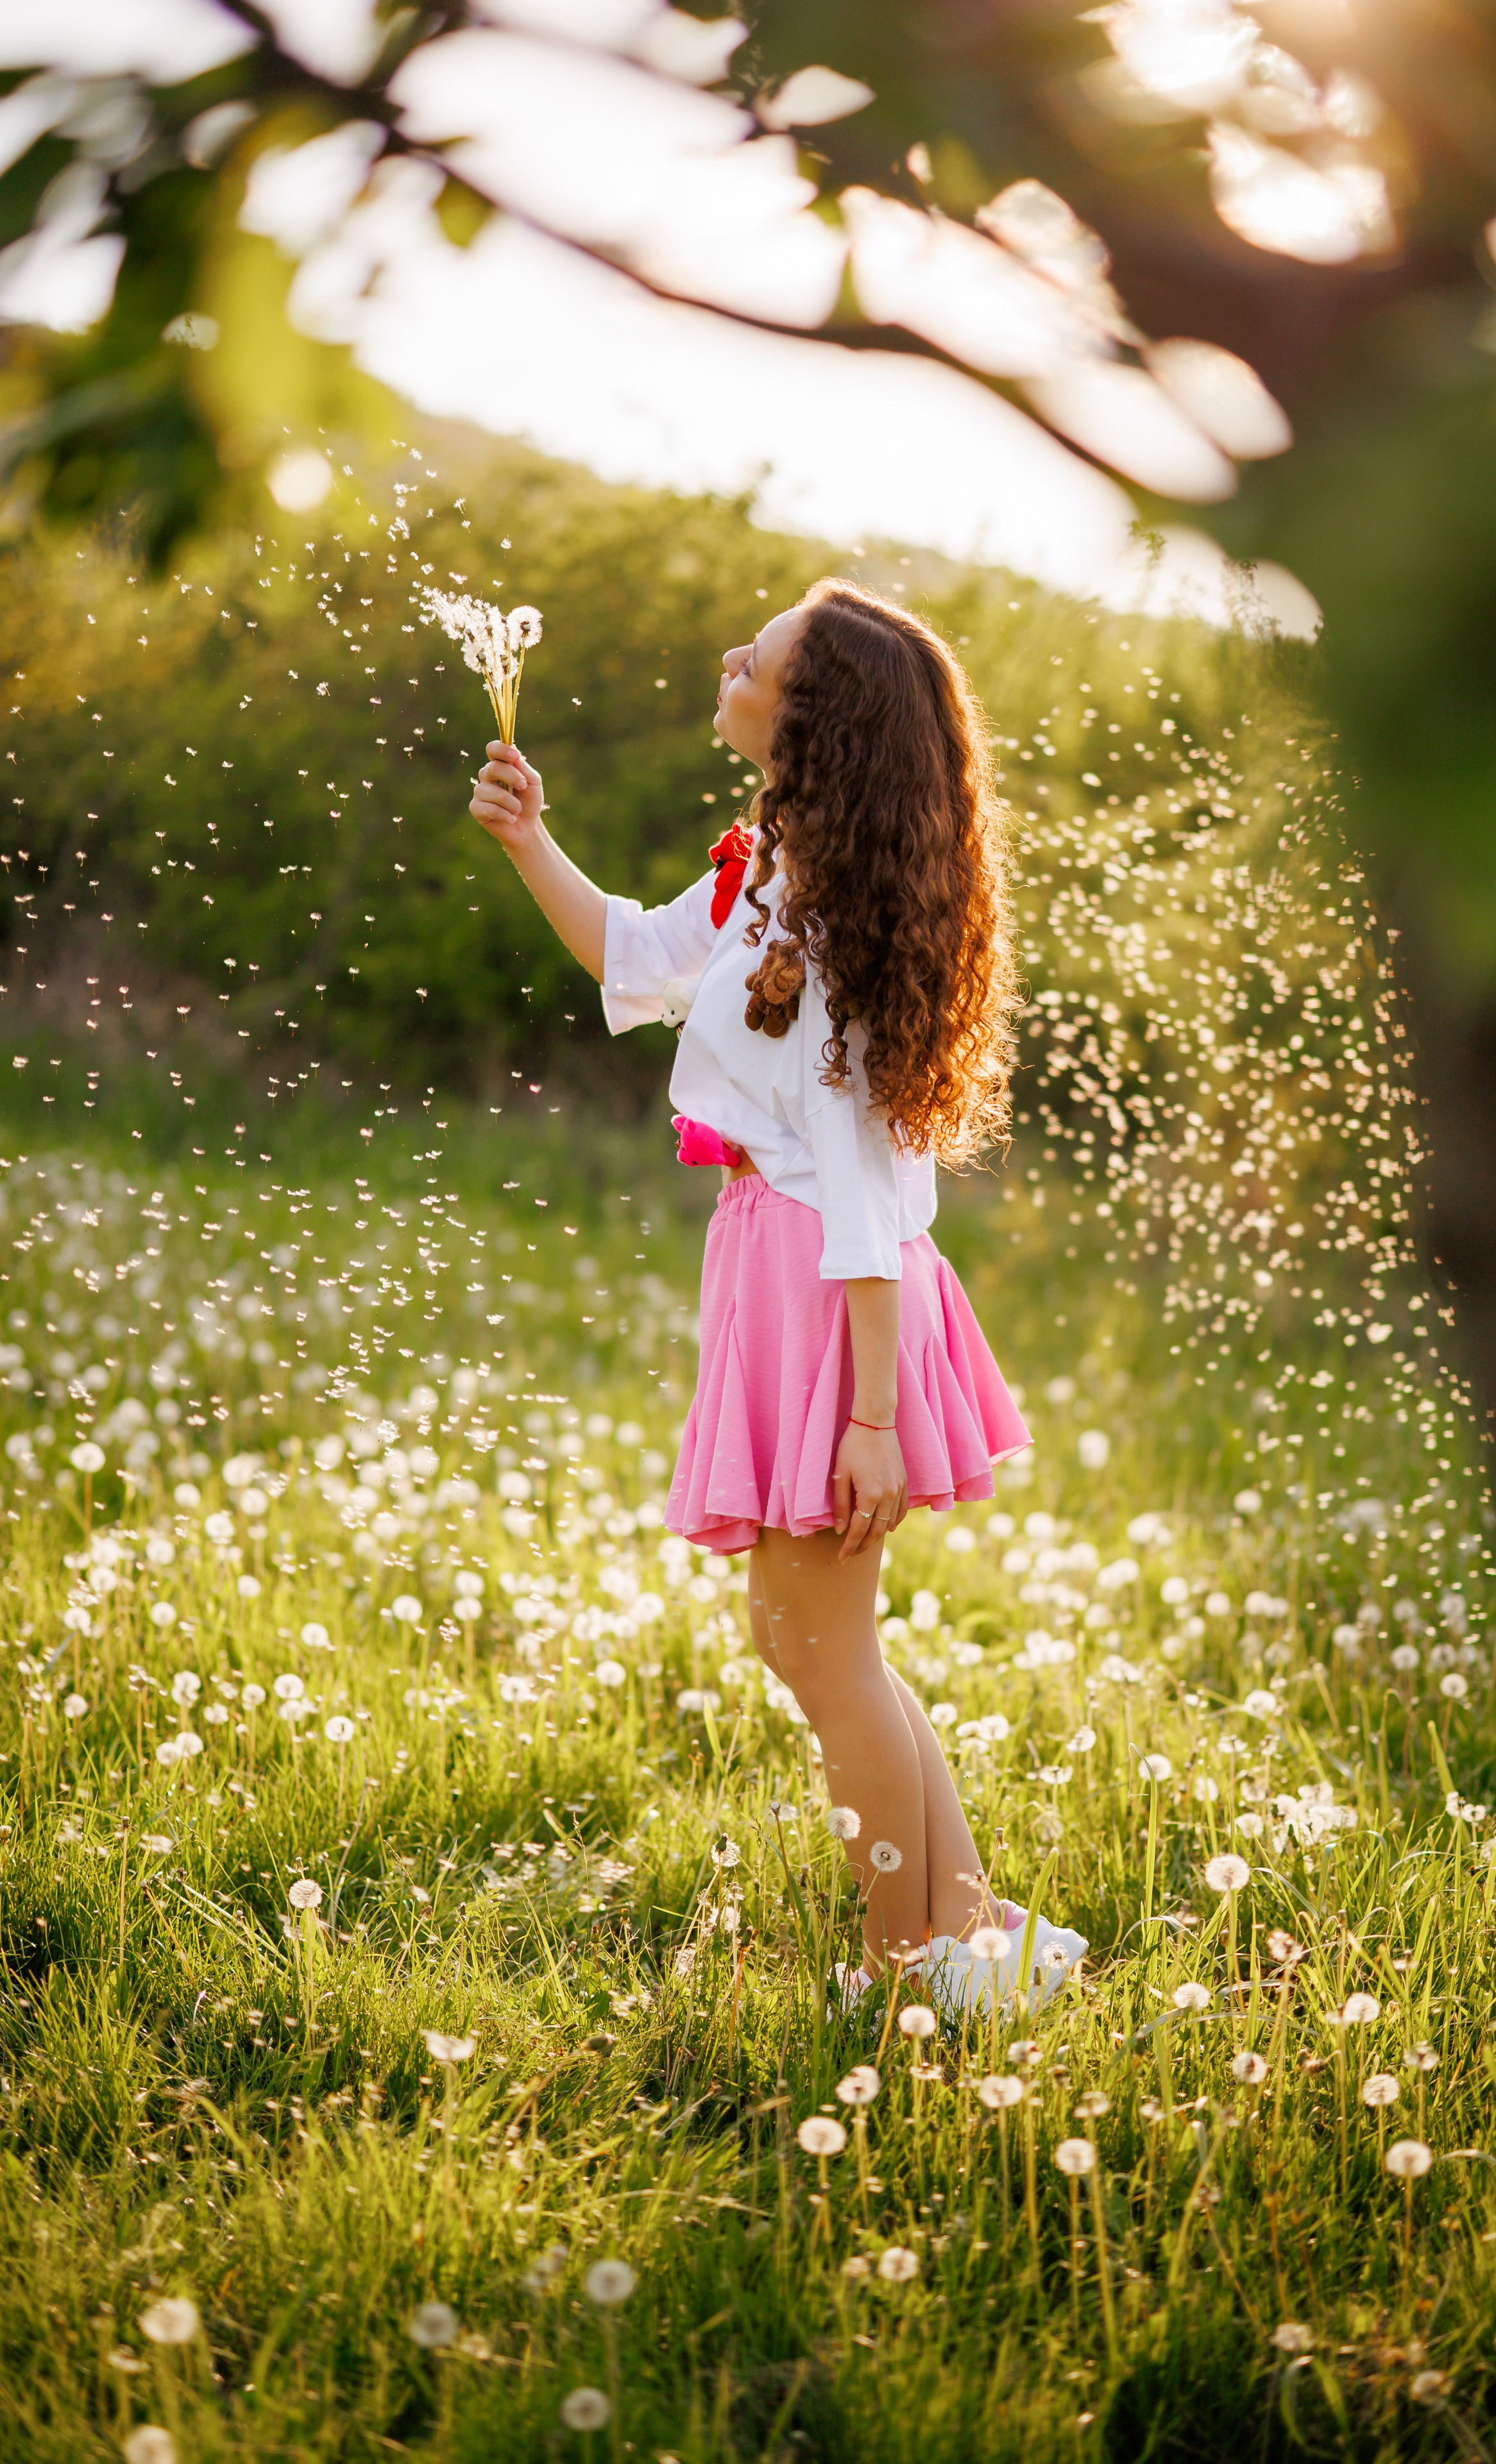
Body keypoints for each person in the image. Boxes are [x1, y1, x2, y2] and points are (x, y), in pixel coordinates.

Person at [468, 576, 1087, 2016]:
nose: (732, 656)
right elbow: (632, 956)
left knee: (818, 1647)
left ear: (811, 721)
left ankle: (912, 1962)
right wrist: (527, 838)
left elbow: (866, 1188)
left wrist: (870, 1416)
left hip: (831, 1289)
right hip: (788, 1267)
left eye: (764, 654)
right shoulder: (766, 874)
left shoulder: (847, 923)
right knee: (819, 1641)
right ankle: (973, 1937)